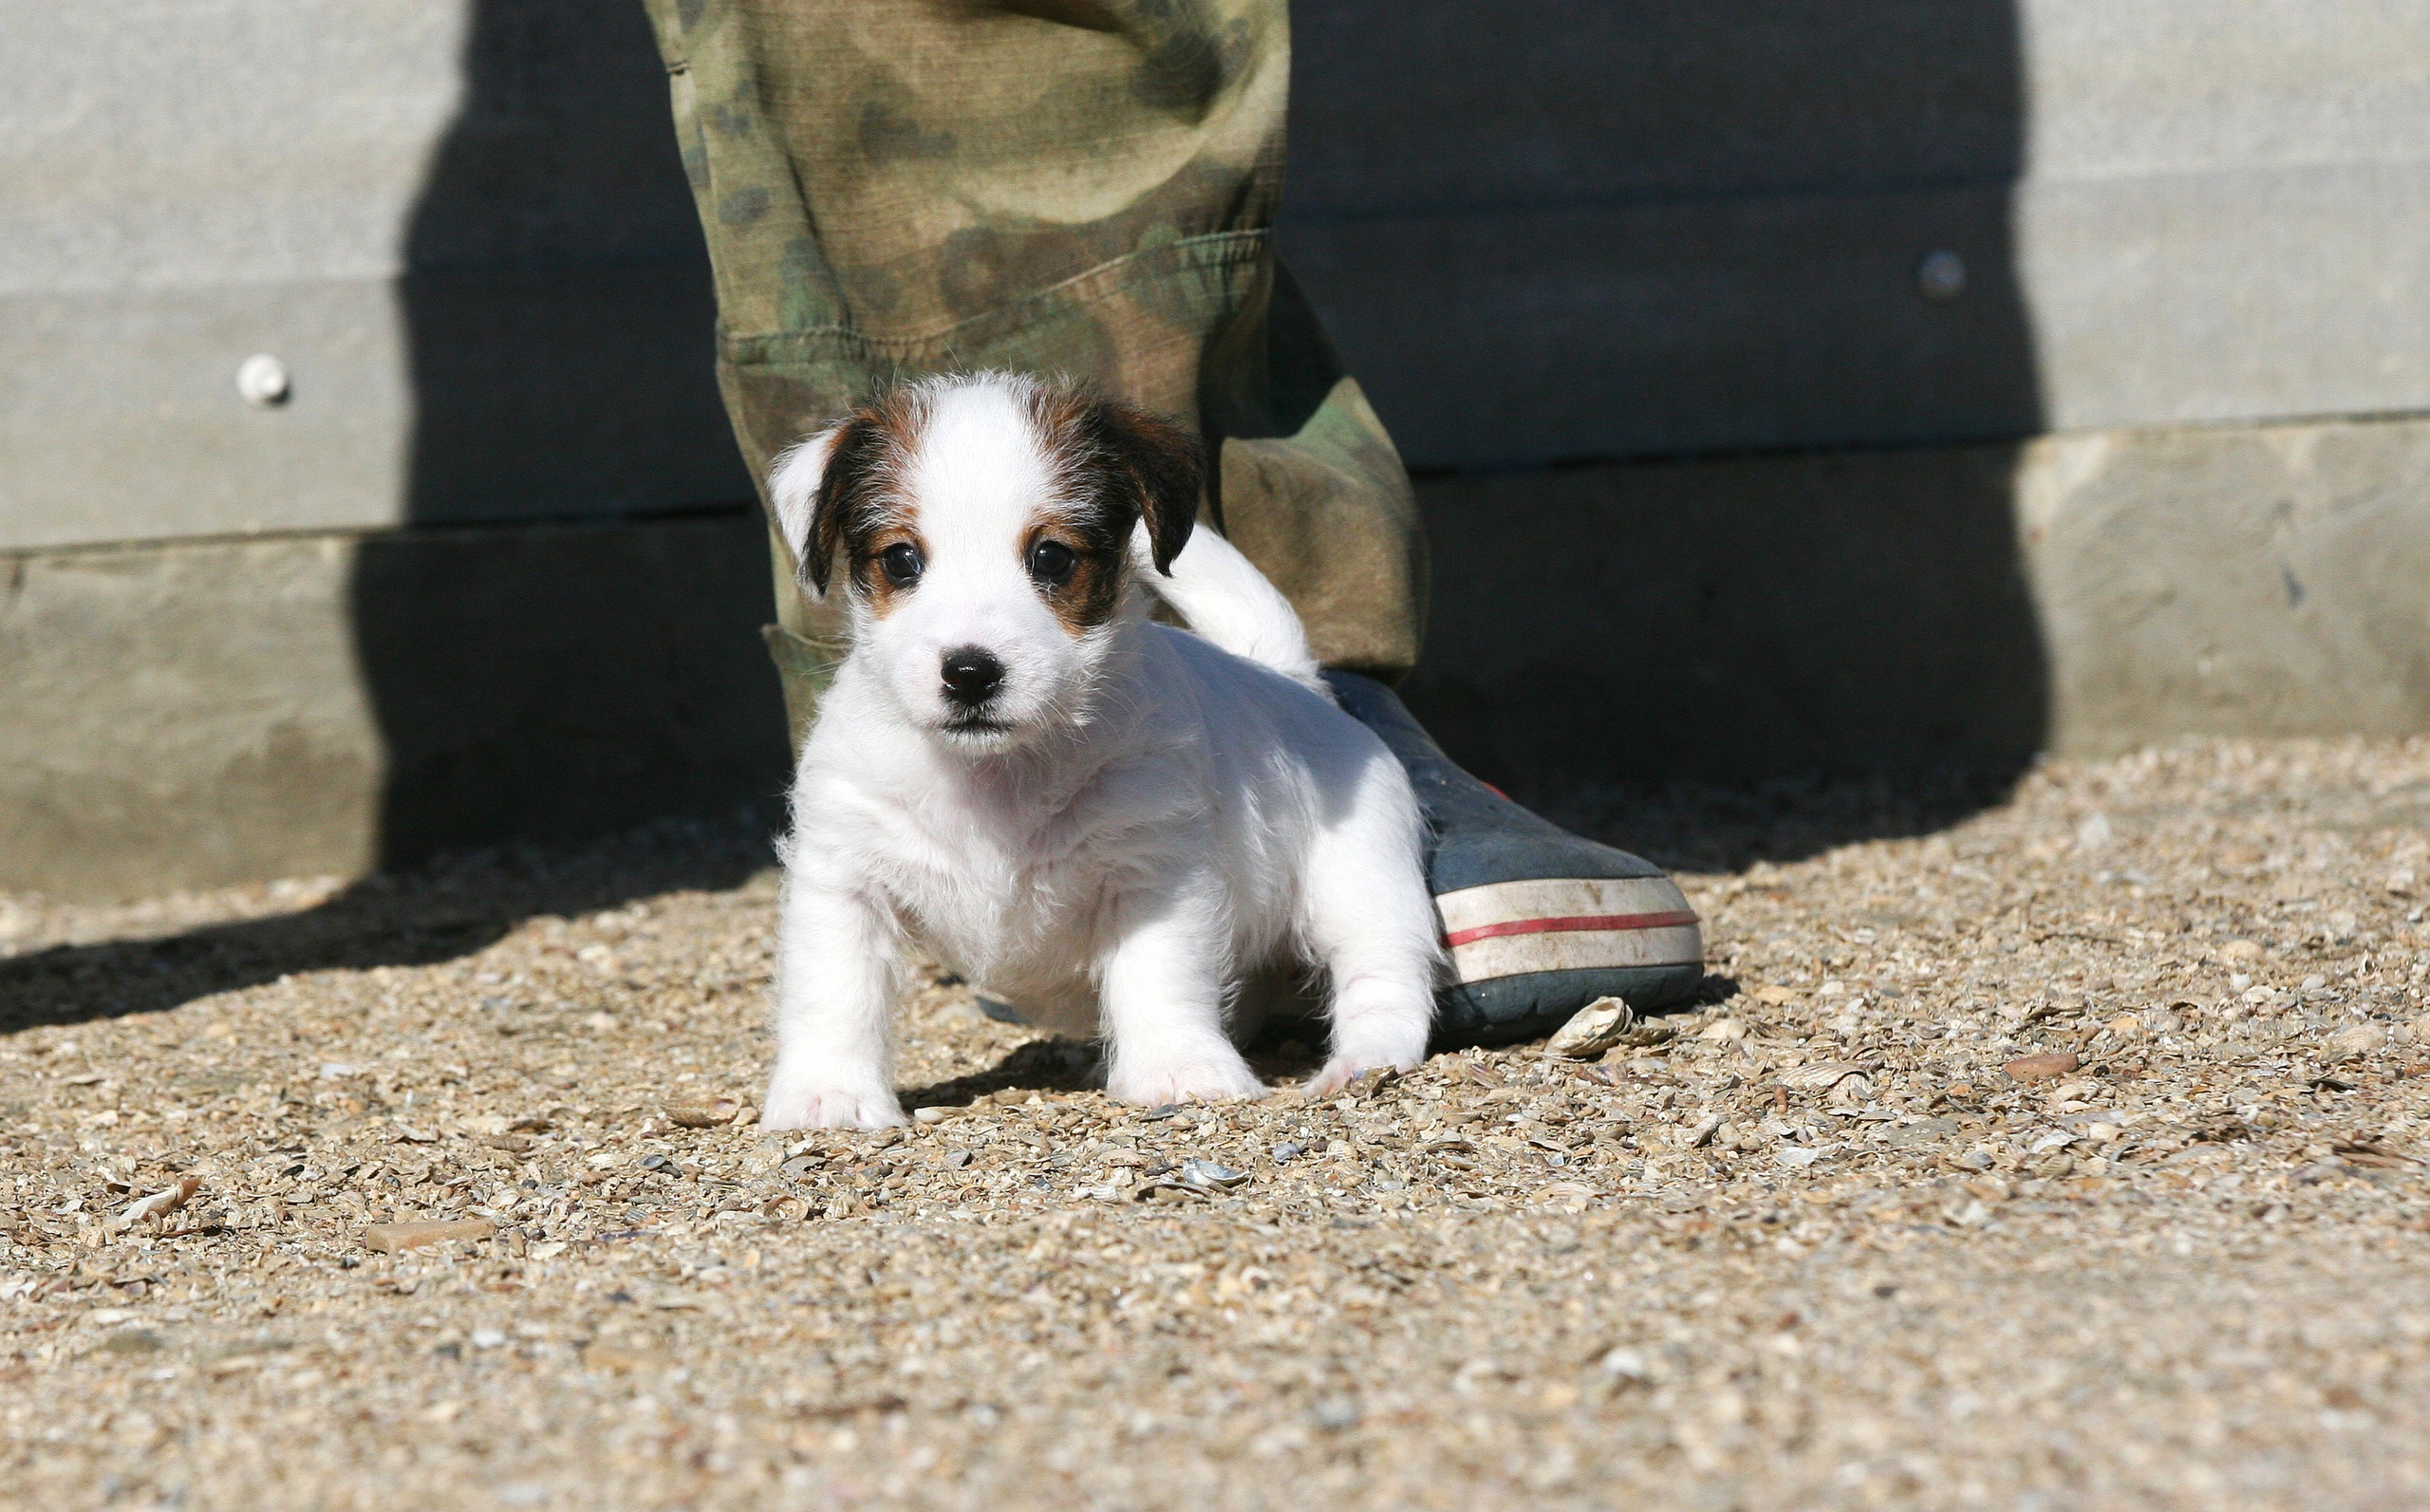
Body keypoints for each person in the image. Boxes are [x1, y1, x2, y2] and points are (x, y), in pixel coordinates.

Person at [638, 0, 1703, 1041]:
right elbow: (838, 891)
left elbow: (1155, 878)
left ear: (1127, 547)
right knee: (846, 869)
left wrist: (1173, 1035)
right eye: (903, 561)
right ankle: (1059, 987)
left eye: (1050, 563)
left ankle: (1378, 999)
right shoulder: (862, 748)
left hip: (1286, 766)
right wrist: (827, 1071)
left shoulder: (1140, 731)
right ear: (830, 542)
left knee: (1336, 800)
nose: (969, 640)